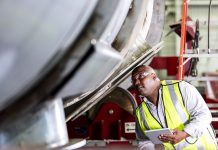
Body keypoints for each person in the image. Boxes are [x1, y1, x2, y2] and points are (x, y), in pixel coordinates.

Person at [131, 65, 217, 150]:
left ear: (153, 76)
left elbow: (204, 115)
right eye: (134, 80)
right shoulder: (140, 112)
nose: (136, 82)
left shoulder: (181, 88)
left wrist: (185, 133)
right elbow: (144, 142)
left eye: (140, 76)